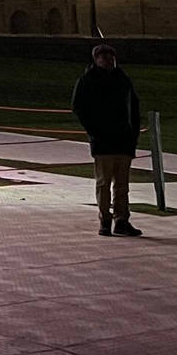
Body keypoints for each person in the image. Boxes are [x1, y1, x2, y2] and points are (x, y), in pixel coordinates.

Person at [71, 42, 143, 237]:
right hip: (103, 141)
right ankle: (105, 220)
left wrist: (132, 133)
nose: (109, 61)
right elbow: (79, 107)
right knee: (104, 183)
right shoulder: (88, 80)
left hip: (123, 140)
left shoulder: (122, 79)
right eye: (104, 58)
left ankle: (122, 220)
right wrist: (95, 130)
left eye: (111, 57)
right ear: (97, 60)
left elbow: (134, 107)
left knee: (122, 185)